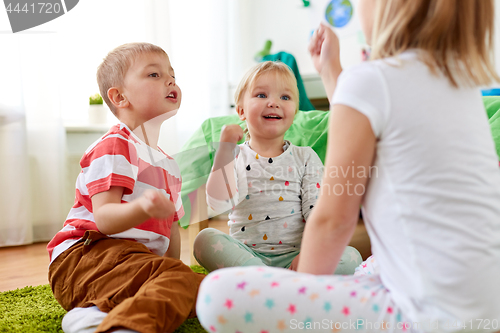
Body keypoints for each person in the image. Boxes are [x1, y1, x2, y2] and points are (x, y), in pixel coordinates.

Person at [196, 0, 500, 332]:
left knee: (214, 296)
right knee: (368, 264)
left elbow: (330, 221)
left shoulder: (368, 85)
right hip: (485, 306)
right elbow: (367, 114)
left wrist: (302, 297)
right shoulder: (460, 84)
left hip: (425, 316)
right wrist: (330, 70)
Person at [46, 42, 205, 333]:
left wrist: (169, 269)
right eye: (154, 75)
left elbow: (171, 232)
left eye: (172, 75)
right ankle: (117, 325)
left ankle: (93, 315)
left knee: (200, 288)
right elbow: (105, 219)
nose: (170, 81)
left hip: (132, 264)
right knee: (179, 281)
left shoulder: (169, 164)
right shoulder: (116, 145)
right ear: (119, 97)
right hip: (85, 257)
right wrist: (142, 207)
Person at [193, 61, 362, 273]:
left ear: (294, 112)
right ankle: (277, 282)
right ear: (241, 111)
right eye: (262, 95)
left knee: (352, 257)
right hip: (247, 257)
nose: (274, 103)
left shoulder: (305, 156)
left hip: (299, 258)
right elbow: (217, 203)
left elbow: (316, 213)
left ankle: (266, 285)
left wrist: (310, 254)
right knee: (204, 240)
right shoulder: (234, 155)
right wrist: (224, 150)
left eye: (285, 97)